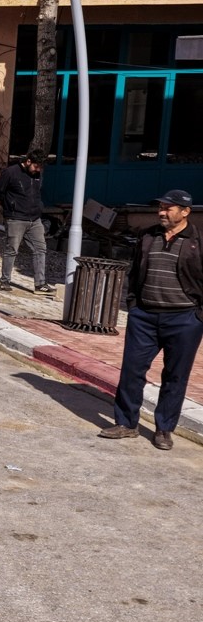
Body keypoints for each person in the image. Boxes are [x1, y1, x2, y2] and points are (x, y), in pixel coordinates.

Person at [99, 190, 202, 451]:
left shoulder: (198, 240)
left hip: (184, 319)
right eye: (161, 207)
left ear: (185, 211)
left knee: (175, 376)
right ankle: (126, 423)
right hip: (144, 317)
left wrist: (199, 315)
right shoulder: (147, 236)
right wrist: (133, 305)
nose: (161, 212)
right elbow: (135, 272)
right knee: (132, 371)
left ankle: (164, 429)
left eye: (169, 208)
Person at [0, 149, 51, 294]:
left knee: (40, 248)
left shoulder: (38, 175)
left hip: (34, 219)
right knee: (12, 250)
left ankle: (40, 284)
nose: (38, 170)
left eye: (41, 167)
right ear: (28, 161)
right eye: (36, 166)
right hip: (16, 218)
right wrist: (10, 207)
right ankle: (5, 282)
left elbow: (36, 192)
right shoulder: (10, 172)